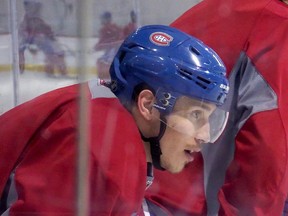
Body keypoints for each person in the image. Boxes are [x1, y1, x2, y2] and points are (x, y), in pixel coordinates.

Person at [0, 25, 229, 215]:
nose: (205, 135)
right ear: (148, 104)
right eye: (196, 114)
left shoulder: (112, 118)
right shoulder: (101, 152)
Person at [145, 0, 288, 215]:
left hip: (140, 183)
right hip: (185, 198)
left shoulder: (219, 8)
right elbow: (267, 150)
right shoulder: (276, 24)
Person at [19, 0, 67, 77]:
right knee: (54, 54)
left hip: (38, 38)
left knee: (56, 54)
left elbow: (44, 28)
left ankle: (55, 72)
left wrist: (49, 33)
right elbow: (25, 34)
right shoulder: (28, 20)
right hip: (34, 39)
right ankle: (55, 72)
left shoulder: (37, 19)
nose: (38, 9)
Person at [94, 11, 122, 80]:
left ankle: (104, 79)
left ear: (107, 19)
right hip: (118, 53)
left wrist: (96, 47)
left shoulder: (105, 29)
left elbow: (102, 44)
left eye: (103, 18)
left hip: (112, 53)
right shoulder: (116, 27)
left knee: (100, 62)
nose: (101, 20)